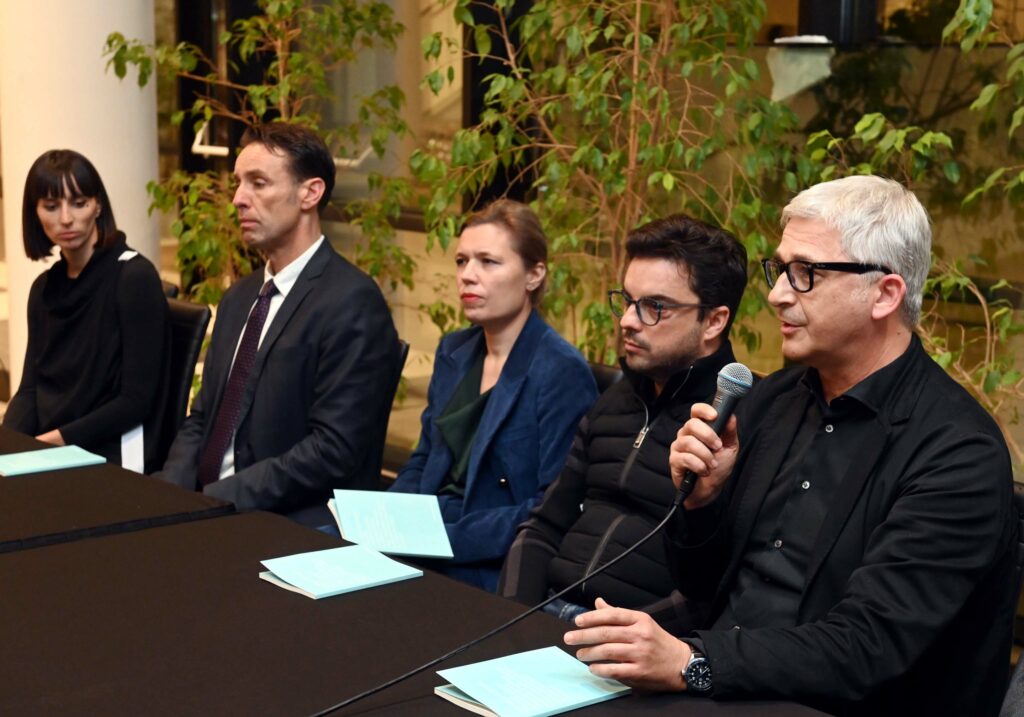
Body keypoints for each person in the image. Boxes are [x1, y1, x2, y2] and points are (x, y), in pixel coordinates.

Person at [564, 176, 1017, 716]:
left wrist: (692, 662)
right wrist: (702, 503)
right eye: (779, 270)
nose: (777, 293)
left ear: (884, 294)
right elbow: (702, 587)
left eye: (805, 274)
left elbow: (868, 646)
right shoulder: (773, 400)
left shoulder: (957, 452)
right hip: (726, 690)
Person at [498, 214, 747, 619]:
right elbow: (543, 526)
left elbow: (720, 583)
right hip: (544, 610)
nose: (628, 321)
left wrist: (626, 637)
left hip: (634, 636)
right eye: (628, 301)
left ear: (714, 321)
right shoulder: (616, 399)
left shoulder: (740, 425)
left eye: (654, 307)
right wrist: (510, 616)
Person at [160, 122, 400, 527]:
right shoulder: (239, 297)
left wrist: (217, 499)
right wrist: (169, 494)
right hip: (210, 508)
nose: (238, 199)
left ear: (310, 193)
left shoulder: (352, 302)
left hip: (289, 520)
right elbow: (202, 417)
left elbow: (332, 449)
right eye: (238, 183)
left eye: (258, 183)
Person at [388, 200, 597, 591]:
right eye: (461, 261)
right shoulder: (454, 351)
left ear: (534, 275)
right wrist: (387, 518)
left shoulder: (560, 370)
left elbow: (552, 506)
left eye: (488, 262)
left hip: (489, 559)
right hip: (422, 536)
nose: (468, 276)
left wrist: (441, 540)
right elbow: (423, 458)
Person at [4, 149, 169, 473]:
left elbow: (136, 401)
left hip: (113, 455)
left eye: (79, 203)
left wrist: (51, 443)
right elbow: (31, 390)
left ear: (98, 206)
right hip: (55, 450)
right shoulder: (44, 288)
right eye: (51, 206)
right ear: (35, 213)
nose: (66, 218)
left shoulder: (133, 277)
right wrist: (8, 444)